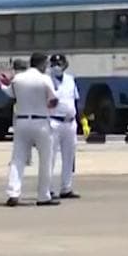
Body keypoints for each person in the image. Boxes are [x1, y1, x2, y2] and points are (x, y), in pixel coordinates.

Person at [0, 52, 59, 207]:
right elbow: (53, 100)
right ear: (41, 64)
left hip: (21, 121)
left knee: (17, 158)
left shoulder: (18, 79)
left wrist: (2, 84)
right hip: (41, 122)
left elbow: (10, 93)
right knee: (45, 159)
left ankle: (13, 192)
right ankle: (43, 195)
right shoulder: (45, 79)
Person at [47, 54, 80, 200]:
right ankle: (48, 189)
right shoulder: (46, 80)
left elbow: (75, 100)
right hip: (54, 121)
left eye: (59, 63)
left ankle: (66, 187)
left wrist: (80, 119)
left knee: (69, 156)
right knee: (51, 157)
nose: (57, 66)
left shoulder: (70, 80)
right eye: (54, 63)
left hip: (70, 122)